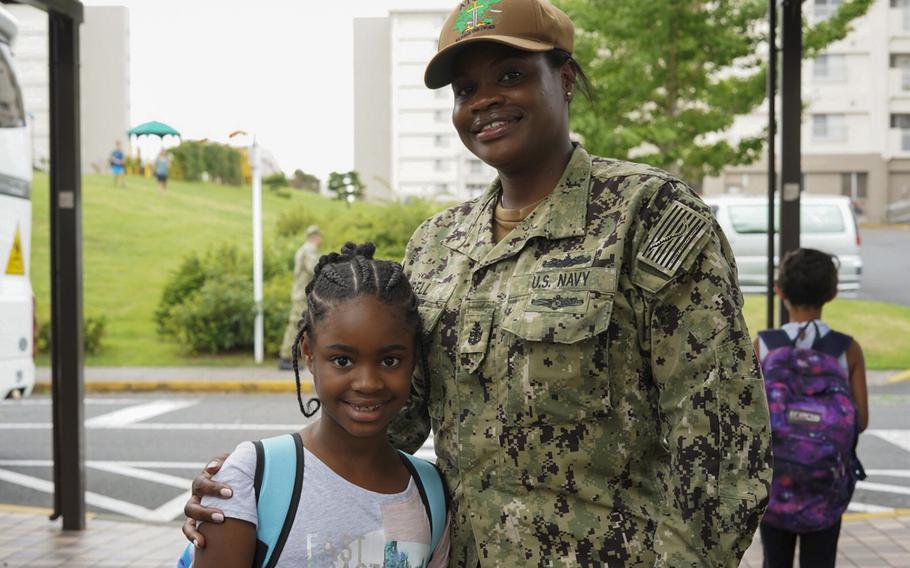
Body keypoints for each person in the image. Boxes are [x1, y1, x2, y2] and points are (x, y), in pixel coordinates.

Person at [183, 1, 772, 566]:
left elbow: (722, 449)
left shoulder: (647, 215)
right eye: (465, 89)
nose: (484, 101)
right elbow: (393, 416)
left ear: (564, 78)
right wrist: (254, 484)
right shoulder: (436, 244)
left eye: (511, 74)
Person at [190, 242, 450, 568]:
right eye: (342, 360)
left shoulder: (430, 492)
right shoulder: (255, 476)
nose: (368, 382)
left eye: (390, 360)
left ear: (414, 358)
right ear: (308, 353)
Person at [755, 248, 868, 568]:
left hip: (775, 483)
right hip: (826, 485)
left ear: (779, 291)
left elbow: (751, 415)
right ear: (832, 294)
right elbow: (860, 420)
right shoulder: (847, 349)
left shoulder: (763, 344)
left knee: (774, 561)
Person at [278, 225, 323, 370]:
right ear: (316, 237)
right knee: (296, 325)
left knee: (299, 325)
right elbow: (314, 269)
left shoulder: (302, 249)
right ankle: (286, 357)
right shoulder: (309, 249)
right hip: (303, 295)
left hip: (301, 294)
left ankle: (290, 356)